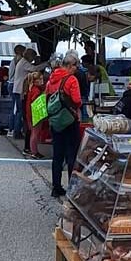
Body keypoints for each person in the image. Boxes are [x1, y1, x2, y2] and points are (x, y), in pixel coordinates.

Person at [46, 52, 83, 198]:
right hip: (69, 121)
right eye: (75, 66)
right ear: (69, 65)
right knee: (71, 155)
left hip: (55, 122)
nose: (76, 68)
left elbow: (47, 98)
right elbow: (77, 100)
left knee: (57, 155)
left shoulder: (51, 80)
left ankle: (56, 187)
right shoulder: (71, 80)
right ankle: (72, 188)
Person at [10, 44, 47, 143]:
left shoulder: (22, 62)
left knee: (19, 111)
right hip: (19, 90)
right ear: (29, 56)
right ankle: (17, 132)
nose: (33, 59)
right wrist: (46, 64)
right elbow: (34, 69)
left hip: (17, 89)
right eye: (33, 57)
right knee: (20, 112)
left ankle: (16, 130)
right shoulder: (24, 63)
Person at [25, 70, 47, 159]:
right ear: (35, 81)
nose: (42, 81)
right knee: (35, 133)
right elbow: (35, 100)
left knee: (34, 133)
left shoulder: (31, 88)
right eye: (40, 79)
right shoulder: (36, 90)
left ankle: (34, 150)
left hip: (30, 113)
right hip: (35, 114)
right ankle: (34, 151)